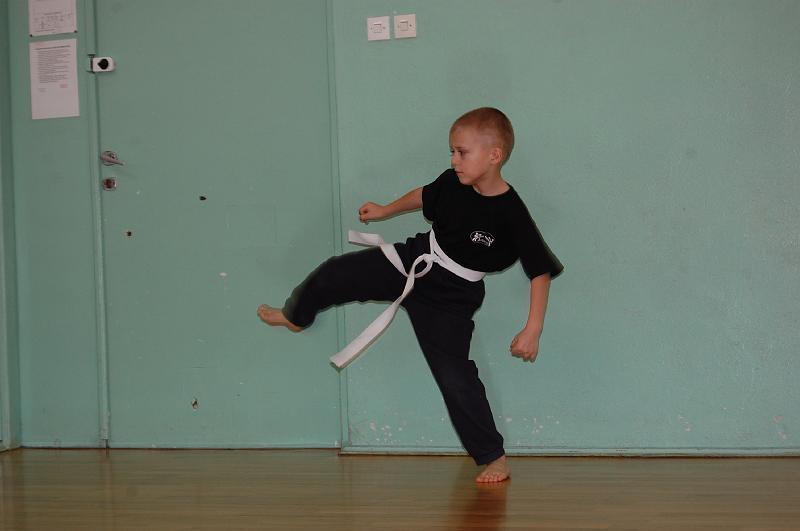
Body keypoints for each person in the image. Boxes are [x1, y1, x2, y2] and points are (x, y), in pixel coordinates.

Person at [258, 107, 563, 483]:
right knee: (336, 272)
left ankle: (493, 457)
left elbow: (540, 271)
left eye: (461, 152)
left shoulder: (511, 213)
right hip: (413, 260)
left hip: (452, 297)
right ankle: (295, 315)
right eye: (452, 152)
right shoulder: (452, 183)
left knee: (455, 377)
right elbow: (423, 195)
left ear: (494, 155)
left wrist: (533, 329)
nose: (454, 160)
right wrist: (385, 211)